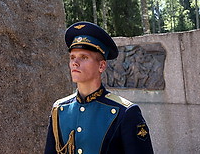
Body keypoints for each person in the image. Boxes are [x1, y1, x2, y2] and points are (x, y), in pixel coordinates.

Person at [44, 21, 154, 154]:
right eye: (72, 57)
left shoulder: (125, 113)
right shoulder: (60, 110)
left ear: (101, 66)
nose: (75, 63)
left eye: (83, 57)